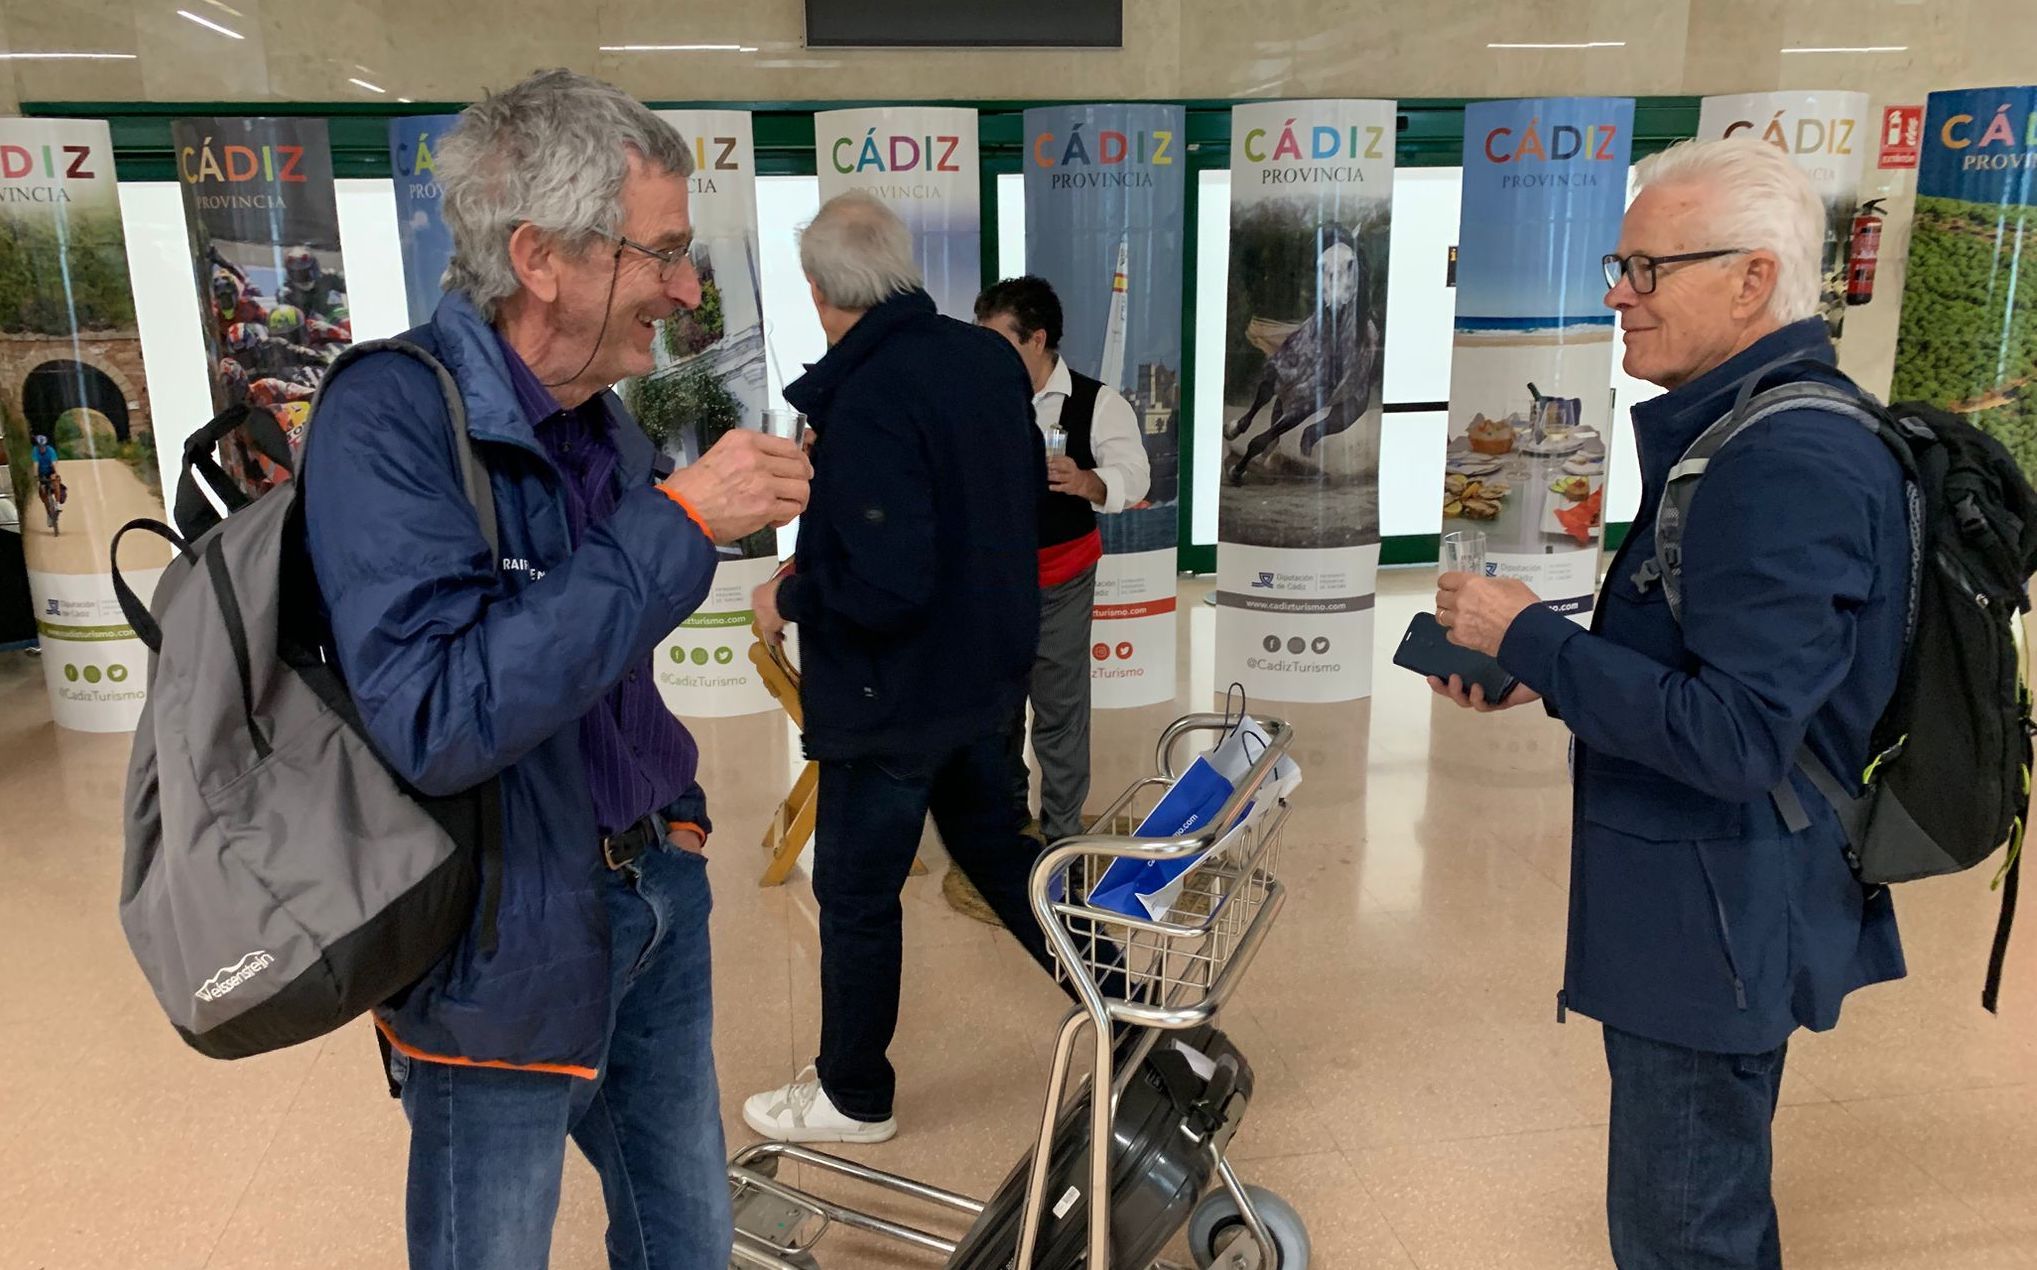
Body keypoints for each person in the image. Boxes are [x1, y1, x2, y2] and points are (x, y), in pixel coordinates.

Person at [301, 69, 810, 1270]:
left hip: (656, 897)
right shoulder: (388, 419)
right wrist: (679, 521)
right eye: (664, 255)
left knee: (688, 1240)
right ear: (541, 257)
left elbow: (600, 659)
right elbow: (438, 713)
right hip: (496, 942)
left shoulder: (601, 418)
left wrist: (675, 823)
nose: (688, 292)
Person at [1432, 136, 1908, 1269]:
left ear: (1752, 279)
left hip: (1716, 923)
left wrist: (1531, 633)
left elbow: (1737, 736)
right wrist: (1542, 670)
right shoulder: (1743, 429)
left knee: (1686, 1232)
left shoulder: (1782, 458)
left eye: (1648, 268)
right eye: (1620, 263)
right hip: (1707, 899)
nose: (1618, 294)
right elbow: (1708, 668)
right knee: (1704, 1207)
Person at [742, 192, 1051, 1145]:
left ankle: (852, 1095)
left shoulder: (869, 394)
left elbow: (884, 578)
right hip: (983, 679)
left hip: (893, 694)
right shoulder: (984, 362)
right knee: (1008, 868)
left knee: (858, 893)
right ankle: (1133, 1016)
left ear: (817, 287)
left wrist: (790, 595)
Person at [974, 275, 1151, 846]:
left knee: (1059, 713)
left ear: (1039, 339)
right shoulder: (975, 398)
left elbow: (1136, 475)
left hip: (1061, 581)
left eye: (1000, 342)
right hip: (991, 584)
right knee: (997, 711)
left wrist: (1088, 481)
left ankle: (1062, 838)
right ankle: (1005, 828)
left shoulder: (1099, 402)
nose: (987, 356)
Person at [1225, 223, 1380, 485]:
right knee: (1280, 365)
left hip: (1351, 323)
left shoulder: (1356, 274)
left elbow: (1353, 285)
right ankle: (1246, 419)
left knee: (1369, 342)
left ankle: (1348, 388)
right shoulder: (1326, 271)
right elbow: (1326, 283)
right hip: (1325, 320)